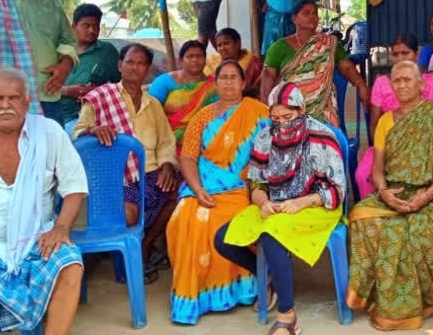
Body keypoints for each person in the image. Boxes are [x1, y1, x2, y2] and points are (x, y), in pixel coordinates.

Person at [0, 67, 88, 334]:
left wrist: (61, 228)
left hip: (37, 239)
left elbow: (75, 187)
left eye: (14, 98)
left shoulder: (50, 133)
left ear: (27, 101)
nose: (6, 105)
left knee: (71, 263)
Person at [346, 61, 433, 330]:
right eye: (396, 80)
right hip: (398, 187)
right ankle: (383, 295)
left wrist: (426, 195)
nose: (402, 85)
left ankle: (432, 296)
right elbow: (377, 168)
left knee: (429, 229)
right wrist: (384, 193)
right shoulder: (386, 120)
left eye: (408, 79)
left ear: (422, 85)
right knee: (361, 216)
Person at [214, 82, 346, 335]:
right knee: (223, 239)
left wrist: (302, 202)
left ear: (302, 110)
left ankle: (288, 317)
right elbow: (256, 182)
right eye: (275, 117)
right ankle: (267, 275)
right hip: (276, 202)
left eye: (288, 116)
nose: (282, 124)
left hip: (318, 204)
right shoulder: (266, 137)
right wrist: (263, 202)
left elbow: (337, 190)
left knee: (271, 234)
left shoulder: (321, 137)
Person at [166, 61, 270, 324]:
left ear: (244, 83)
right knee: (183, 218)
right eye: (223, 77)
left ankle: (246, 285)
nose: (228, 82)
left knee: (220, 224)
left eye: (234, 77)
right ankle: (195, 295)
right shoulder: (202, 117)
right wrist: (198, 188)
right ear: (215, 82)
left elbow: (273, 153)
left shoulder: (259, 113)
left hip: (240, 188)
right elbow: (188, 158)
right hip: (202, 185)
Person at [72, 43, 178, 283]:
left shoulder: (153, 105)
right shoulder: (101, 98)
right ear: (120, 65)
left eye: (141, 64)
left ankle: (145, 245)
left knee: (179, 195)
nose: (135, 68)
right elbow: (77, 133)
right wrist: (93, 129)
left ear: (148, 69)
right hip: (116, 177)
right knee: (128, 216)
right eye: (130, 62)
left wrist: (167, 166)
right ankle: (128, 252)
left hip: (151, 173)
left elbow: (166, 142)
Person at [354, 32, 433, 198]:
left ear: (416, 55)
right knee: (363, 174)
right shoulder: (382, 83)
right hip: (386, 147)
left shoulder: (430, 83)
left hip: (424, 147)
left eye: (405, 53)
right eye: (396, 54)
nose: (400, 58)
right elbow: (374, 127)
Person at [261, 0, 369, 127]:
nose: (312, 17)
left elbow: (346, 68)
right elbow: (267, 78)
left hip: (322, 112)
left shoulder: (330, 44)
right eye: (307, 13)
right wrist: (268, 111)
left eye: (315, 13)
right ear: (295, 19)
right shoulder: (278, 48)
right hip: (288, 112)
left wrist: (361, 84)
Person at [149, 40, 218, 154]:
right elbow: (151, 112)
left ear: (205, 60)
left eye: (199, 56)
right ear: (181, 61)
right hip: (168, 141)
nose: (195, 60)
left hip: (205, 141)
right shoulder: (164, 81)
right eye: (190, 56)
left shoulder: (213, 86)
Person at [61, 3, 121, 131]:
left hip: (89, 119)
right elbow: (38, 88)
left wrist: (97, 92)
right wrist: (67, 91)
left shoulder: (107, 51)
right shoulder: (59, 50)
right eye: (86, 26)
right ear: (74, 27)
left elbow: (120, 87)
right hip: (53, 115)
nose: (92, 31)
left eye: (96, 26)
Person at [203, 27, 263, 96]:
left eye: (226, 43)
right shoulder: (212, 60)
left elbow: (258, 89)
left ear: (238, 43)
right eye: (219, 45)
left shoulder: (253, 64)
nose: (222, 48)